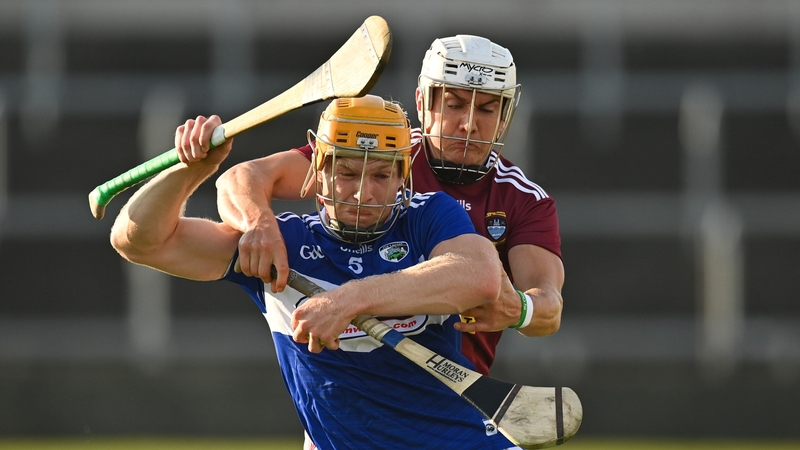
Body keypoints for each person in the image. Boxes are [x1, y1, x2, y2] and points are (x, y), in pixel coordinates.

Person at [110, 95, 521, 449]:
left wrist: (348, 300)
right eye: (346, 173)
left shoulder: (428, 215)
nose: (363, 192)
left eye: (381, 175)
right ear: (317, 170)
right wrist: (191, 170)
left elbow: (478, 274)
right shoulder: (278, 245)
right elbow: (138, 240)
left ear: (402, 176)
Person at [215, 35, 565, 376]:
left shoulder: (524, 199)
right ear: (423, 101)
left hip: (451, 400)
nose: (469, 124)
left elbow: (549, 308)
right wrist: (259, 225)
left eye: (487, 108)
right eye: (455, 104)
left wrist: (521, 309)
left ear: (505, 115)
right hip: (348, 388)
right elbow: (244, 178)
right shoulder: (381, 152)